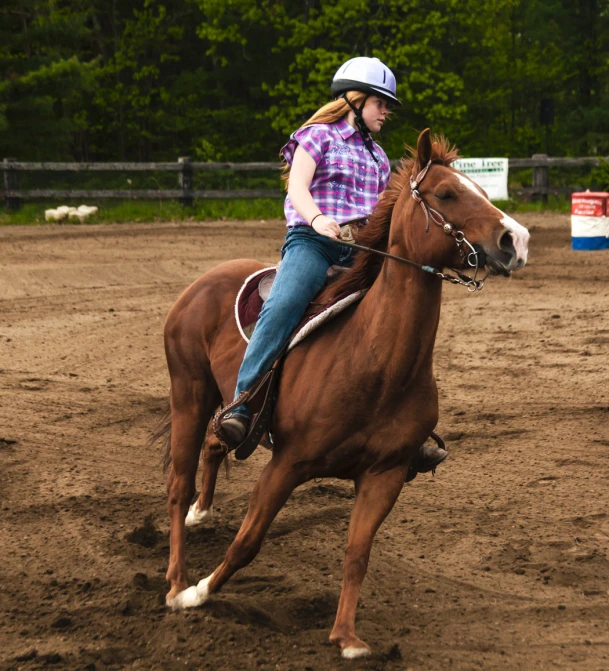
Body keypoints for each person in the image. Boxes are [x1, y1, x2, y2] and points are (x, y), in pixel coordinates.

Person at [219, 56, 447, 477]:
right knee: (284, 305)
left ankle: (403, 428)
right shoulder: (316, 136)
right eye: (381, 103)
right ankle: (243, 404)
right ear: (356, 101)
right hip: (314, 244)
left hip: (361, 251)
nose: (386, 112)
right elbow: (298, 187)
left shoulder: (379, 157)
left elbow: (384, 213)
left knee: (403, 316)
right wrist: (318, 219)